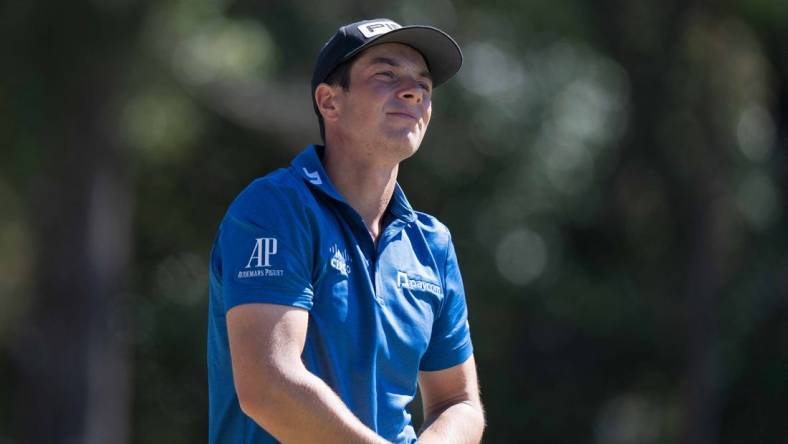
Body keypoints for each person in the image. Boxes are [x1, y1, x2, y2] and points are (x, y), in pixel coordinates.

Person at [207, 18, 485, 444]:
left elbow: (459, 402)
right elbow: (267, 385)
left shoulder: (432, 244)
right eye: (386, 75)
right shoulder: (274, 208)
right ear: (329, 101)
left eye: (423, 84)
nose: (414, 91)